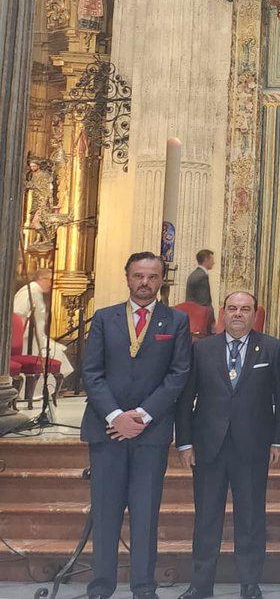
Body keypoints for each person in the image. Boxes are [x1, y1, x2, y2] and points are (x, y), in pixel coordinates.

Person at [81, 252, 192, 599]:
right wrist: (116, 416)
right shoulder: (103, 318)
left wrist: (142, 415)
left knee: (145, 513)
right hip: (107, 430)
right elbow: (91, 372)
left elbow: (179, 375)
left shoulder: (175, 322)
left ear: (162, 280)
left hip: (150, 432)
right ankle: (101, 586)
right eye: (138, 276)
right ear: (127, 277)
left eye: (152, 277)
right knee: (106, 510)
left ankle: (144, 587)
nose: (145, 283)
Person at [175, 291, 280, 599]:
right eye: (233, 309)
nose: (238, 314)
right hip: (208, 446)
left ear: (255, 314)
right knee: (206, 517)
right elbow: (185, 400)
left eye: (245, 309)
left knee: (251, 518)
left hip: (253, 446)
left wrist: (279, 439)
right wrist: (184, 442)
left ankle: (250, 584)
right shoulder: (201, 350)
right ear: (222, 314)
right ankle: (201, 584)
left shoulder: (272, 347)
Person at [13, 267, 52, 356]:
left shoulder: (33, 289)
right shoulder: (33, 290)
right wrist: (43, 347)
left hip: (24, 335)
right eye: (49, 280)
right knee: (56, 352)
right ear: (41, 278)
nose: (51, 284)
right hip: (24, 337)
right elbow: (39, 321)